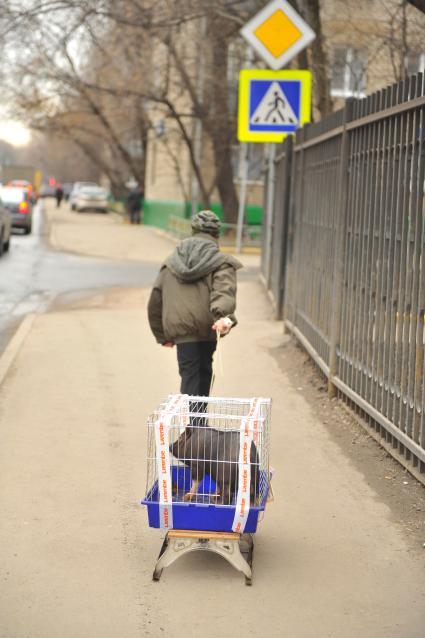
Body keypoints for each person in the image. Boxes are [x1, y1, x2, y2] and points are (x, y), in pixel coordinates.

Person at [147, 210, 242, 397]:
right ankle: (195, 424)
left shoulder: (171, 262)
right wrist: (222, 316)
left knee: (190, 374)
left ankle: (196, 424)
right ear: (216, 234)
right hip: (208, 326)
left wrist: (161, 335)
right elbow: (223, 291)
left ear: (193, 231)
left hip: (182, 330)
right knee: (203, 372)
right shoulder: (221, 262)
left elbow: (155, 300)